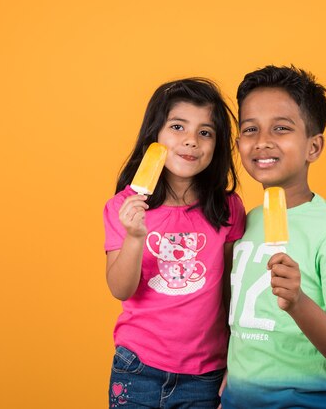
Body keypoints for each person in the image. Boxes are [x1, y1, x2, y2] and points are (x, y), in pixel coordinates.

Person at [220, 66, 326, 408]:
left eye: (281, 128)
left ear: (313, 147)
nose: (262, 141)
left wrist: (299, 303)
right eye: (250, 129)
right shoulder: (247, 221)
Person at [103, 78, 246, 408]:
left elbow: (229, 292)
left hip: (206, 373)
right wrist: (136, 237)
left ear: (218, 144)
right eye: (178, 127)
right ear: (155, 136)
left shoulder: (227, 209)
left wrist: (237, 361)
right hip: (137, 369)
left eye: (205, 132)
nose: (191, 141)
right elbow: (121, 289)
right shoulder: (121, 208)